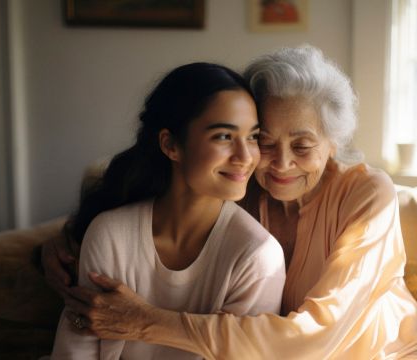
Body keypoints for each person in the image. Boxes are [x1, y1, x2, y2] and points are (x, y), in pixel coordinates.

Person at [43, 46, 417, 359]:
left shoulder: (367, 195)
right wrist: (58, 245)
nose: (281, 164)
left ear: (333, 143)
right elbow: (142, 208)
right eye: (264, 141)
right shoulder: (240, 181)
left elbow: (314, 339)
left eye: (302, 145)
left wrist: (147, 323)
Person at [48, 62, 286, 359]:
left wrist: (143, 322)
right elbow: (76, 351)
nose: (245, 156)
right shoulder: (111, 234)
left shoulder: (258, 256)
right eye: (224, 136)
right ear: (170, 144)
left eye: (253, 137)